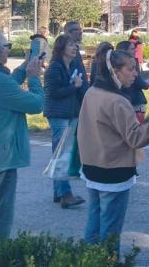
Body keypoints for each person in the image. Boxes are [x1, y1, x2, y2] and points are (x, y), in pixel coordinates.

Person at [77, 49, 149, 256]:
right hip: (113, 171)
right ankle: (108, 260)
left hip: (92, 166)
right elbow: (136, 138)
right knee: (110, 228)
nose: (135, 74)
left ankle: (89, 259)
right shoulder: (117, 101)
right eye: (131, 69)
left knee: (94, 222)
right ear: (115, 71)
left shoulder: (92, 92)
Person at [0, 29, 44, 238]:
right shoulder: (0, 82)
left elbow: (9, 85)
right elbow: (36, 104)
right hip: (1, 160)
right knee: (1, 218)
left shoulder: (1, 80)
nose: (9, 50)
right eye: (7, 46)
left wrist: (25, 67)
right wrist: (34, 78)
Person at [44, 33, 88, 209]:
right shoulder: (55, 67)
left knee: (61, 153)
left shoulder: (71, 66)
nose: (75, 47)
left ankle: (59, 192)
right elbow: (53, 92)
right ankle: (66, 194)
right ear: (61, 48)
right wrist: (74, 87)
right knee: (62, 155)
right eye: (71, 45)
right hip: (58, 115)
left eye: (75, 45)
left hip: (70, 114)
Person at [116, 40, 149, 122]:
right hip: (134, 103)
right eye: (132, 49)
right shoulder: (129, 64)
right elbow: (141, 83)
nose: (135, 51)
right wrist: (147, 83)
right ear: (125, 51)